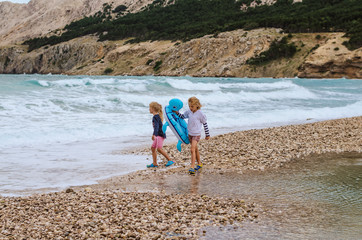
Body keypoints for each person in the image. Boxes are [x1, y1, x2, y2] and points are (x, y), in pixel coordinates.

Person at [175, 97, 210, 175]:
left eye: (192, 106)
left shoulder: (200, 114)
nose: (190, 108)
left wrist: (207, 134)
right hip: (190, 134)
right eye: (189, 106)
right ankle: (200, 164)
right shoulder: (189, 112)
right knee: (195, 150)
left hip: (196, 135)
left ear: (197, 105)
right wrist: (177, 112)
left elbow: (205, 124)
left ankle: (192, 166)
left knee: (192, 149)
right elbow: (183, 116)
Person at [148, 102, 174, 168]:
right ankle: (154, 163)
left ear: (153, 109)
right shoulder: (156, 116)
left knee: (159, 149)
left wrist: (154, 135)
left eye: (150, 108)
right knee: (153, 148)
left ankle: (170, 160)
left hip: (159, 135)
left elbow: (156, 127)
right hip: (158, 134)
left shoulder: (155, 117)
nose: (149, 109)